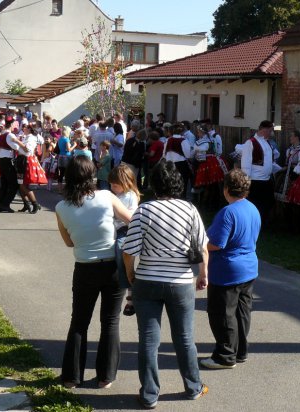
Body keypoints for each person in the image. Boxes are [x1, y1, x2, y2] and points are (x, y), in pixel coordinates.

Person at [122, 160, 209, 409]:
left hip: (147, 281)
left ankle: (149, 394)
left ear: (154, 183)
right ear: (178, 183)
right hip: (180, 282)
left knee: (149, 340)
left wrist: (131, 276)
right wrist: (203, 274)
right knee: (184, 338)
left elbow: (129, 252)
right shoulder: (190, 209)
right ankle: (193, 387)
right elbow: (202, 247)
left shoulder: (144, 211)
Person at [55, 156, 132, 389]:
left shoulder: (61, 207)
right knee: (110, 321)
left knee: (79, 321)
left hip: (84, 267)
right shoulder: (106, 197)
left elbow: (68, 242)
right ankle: (105, 376)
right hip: (111, 266)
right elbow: (130, 218)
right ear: (92, 176)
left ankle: (71, 376)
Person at [200, 168, 261, 369]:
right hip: (249, 267)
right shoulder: (252, 208)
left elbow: (216, 243)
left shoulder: (227, 212)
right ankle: (240, 350)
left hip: (227, 271)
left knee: (223, 314)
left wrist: (199, 244)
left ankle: (225, 355)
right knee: (242, 312)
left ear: (226, 189)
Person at [108, 164, 140, 316]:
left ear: (126, 183)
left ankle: (131, 295)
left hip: (124, 231)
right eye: (111, 185)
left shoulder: (130, 196)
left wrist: (116, 217)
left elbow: (130, 217)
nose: (113, 188)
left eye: (116, 185)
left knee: (123, 255)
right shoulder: (114, 194)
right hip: (112, 229)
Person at [240, 120, 275, 224]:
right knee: (255, 204)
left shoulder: (267, 142)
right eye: (270, 131)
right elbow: (246, 164)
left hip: (267, 180)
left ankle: (262, 223)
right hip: (256, 180)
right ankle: (253, 224)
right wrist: (246, 181)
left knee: (268, 203)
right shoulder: (250, 143)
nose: (271, 133)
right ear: (264, 129)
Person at [15, 124, 47, 214]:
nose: (23, 128)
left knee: (22, 184)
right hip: (22, 160)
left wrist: (17, 141)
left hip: (25, 161)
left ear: (29, 129)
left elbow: (27, 150)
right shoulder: (28, 137)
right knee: (20, 184)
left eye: (25, 127)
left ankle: (35, 204)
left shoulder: (31, 138)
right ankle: (26, 204)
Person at [0, 117, 20, 213]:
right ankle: (5, 204)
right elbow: (16, 147)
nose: (15, 126)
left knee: (4, 185)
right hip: (7, 161)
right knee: (14, 184)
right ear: (12, 124)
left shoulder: (2, 135)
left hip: (1, 161)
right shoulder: (9, 135)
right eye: (15, 124)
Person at [164, 123, 192, 199]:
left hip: (169, 165)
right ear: (182, 131)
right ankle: (181, 199)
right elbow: (188, 155)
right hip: (181, 165)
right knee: (182, 183)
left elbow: (164, 154)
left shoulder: (168, 140)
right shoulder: (184, 141)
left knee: (170, 182)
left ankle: (170, 198)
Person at [56, 126, 75, 192]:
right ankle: (68, 189)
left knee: (61, 174)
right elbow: (69, 149)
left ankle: (59, 189)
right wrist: (74, 145)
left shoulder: (60, 139)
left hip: (60, 156)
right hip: (67, 157)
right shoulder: (66, 139)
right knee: (67, 174)